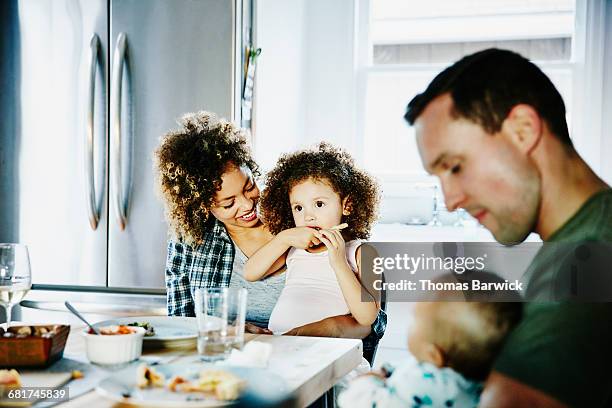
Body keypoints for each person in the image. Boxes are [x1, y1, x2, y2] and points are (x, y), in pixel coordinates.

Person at [404, 48, 612, 407]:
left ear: (523, 130)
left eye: (454, 166)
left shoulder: (587, 261)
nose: (450, 200)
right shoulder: (577, 241)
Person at [154, 111, 386, 362]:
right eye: (229, 203)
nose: (246, 205)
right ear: (201, 206)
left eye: (249, 186)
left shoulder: (294, 214)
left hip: (312, 357)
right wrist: (231, 332)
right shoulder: (190, 244)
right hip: (231, 362)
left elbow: (372, 320)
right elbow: (180, 324)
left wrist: (335, 327)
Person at [244, 142, 381, 334]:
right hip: (280, 343)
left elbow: (367, 317)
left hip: (325, 349)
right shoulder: (294, 248)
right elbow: (250, 273)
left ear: (347, 205)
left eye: (319, 204)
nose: (308, 216)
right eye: (298, 208)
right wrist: (283, 239)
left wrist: (339, 262)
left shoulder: (363, 252)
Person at [338, 299, 522, 408]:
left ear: (433, 355)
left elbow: (354, 401)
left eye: (416, 319)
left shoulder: (419, 384)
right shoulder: (478, 384)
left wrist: (370, 379)